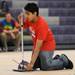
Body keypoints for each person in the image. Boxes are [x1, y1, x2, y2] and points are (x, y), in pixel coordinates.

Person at [18, 3, 73, 71]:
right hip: (37, 45)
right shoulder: (30, 20)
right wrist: (20, 20)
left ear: (35, 13)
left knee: (46, 66)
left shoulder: (42, 24)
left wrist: (31, 64)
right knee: (36, 65)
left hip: (47, 46)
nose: (26, 16)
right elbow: (23, 27)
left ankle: (63, 60)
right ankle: (52, 60)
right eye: (25, 13)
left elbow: (38, 47)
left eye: (28, 14)